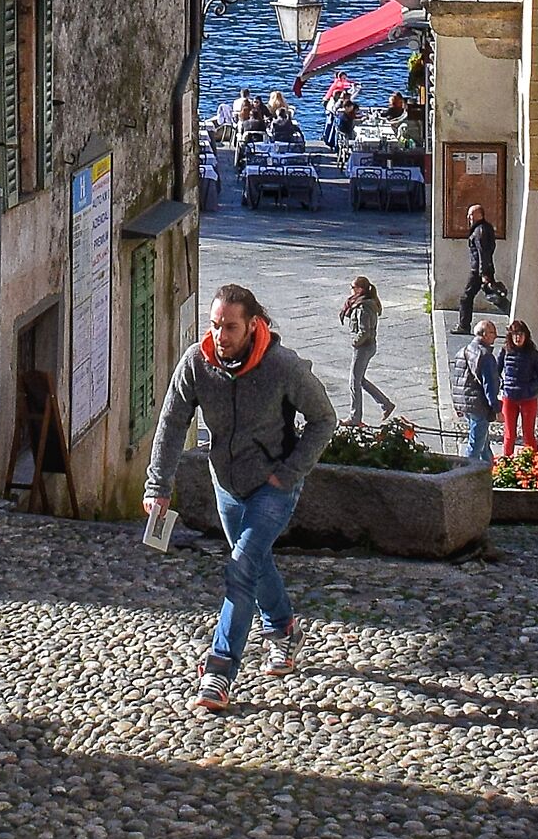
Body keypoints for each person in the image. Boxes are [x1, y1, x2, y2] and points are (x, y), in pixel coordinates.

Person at [144, 282, 335, 714]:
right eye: (214, 326)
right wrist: (158, 486)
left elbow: (325, 418)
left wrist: (289, 472)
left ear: (252, 325)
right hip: (226, 484)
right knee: (255, 562)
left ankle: (220, 669)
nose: (220, 336)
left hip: (274, 486)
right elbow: (172, 423)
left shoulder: (281, 366)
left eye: (229, 327)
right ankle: (283, 628)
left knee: (241, 567)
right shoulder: (197, 363)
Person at [340, 275, 395, 425]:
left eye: (352, 287)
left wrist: (355, 342)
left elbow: (365, 331)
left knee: (354, 382)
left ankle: (354, 417)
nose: (350, 290)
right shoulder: (361, 303)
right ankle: (386, 404)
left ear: (360, 290)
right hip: (366, 346)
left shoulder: (364, 307)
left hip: (364, 347)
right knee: (360, 380)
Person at [450, 317, 501, 460]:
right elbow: (489, 385)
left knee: (483, 445)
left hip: (467, 404)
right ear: (484, 334)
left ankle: (490, 472)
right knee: (475, 447)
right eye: (492, 332)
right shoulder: (485, 356)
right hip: (479, 405)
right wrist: (497, 409)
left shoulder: (464, 351)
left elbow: (458, 379)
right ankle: (466, 475)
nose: (496, 335)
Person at [498, 319, 538, 456]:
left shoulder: (532, 354)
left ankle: (533, 463)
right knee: (509, 434)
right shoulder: (505, 351)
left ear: (526, 336)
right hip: (509, 397)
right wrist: (502, 384)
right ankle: (506, 462)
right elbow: (496, 370)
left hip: (528, 398)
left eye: (521, 334)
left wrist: (530, 387)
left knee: (528, 434)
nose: (518, 338)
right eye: (515, 334)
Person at [454, 203, 498, 333]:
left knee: (466, 298)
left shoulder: (480, 231)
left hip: (478, 271)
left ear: (479, 215)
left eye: (471, 214)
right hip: (482, 270)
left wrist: (483, 273)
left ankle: (463, 326)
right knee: (494, 297)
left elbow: (482, 252)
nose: (469, 217)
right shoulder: (483, 228)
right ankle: (512, 316)